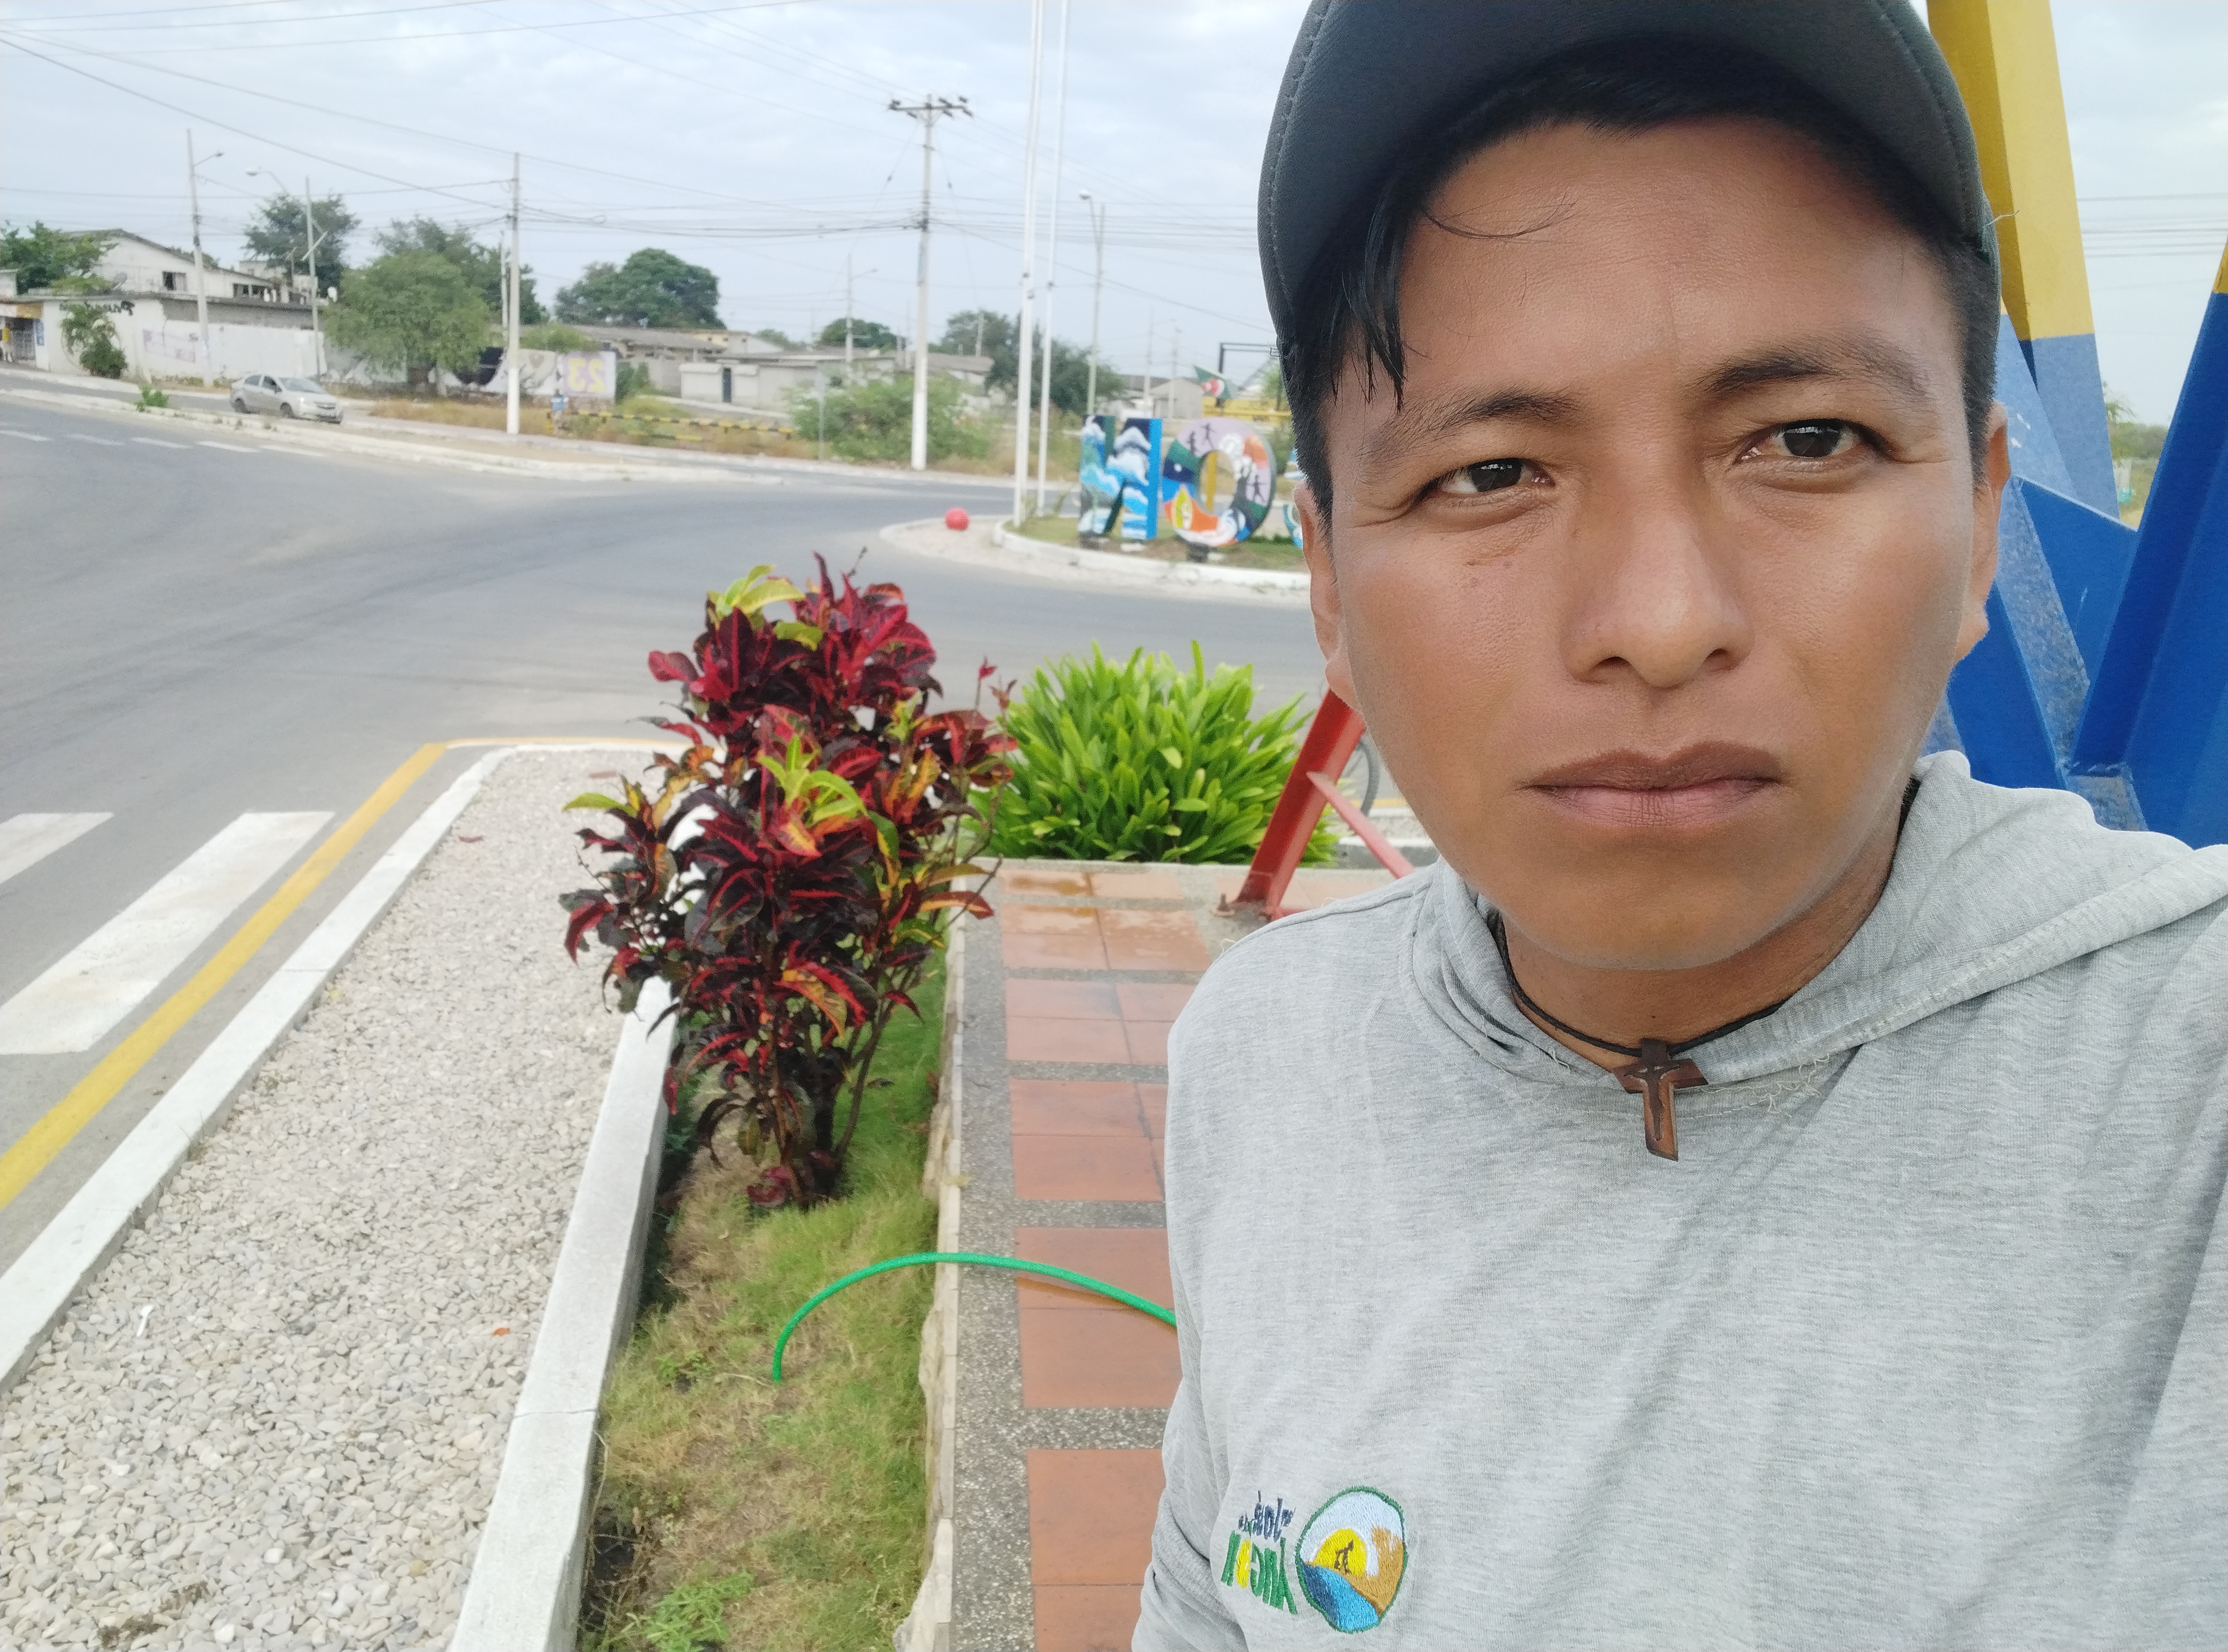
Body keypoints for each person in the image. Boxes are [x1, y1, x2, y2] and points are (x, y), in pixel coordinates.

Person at [1137, 4, 2226, 1647]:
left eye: (1806, 441)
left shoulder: (2186, 1087)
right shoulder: (1262, 1061)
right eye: (1490, 473)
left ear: (1982, 520)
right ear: (1331, 587)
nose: (1658, 622)